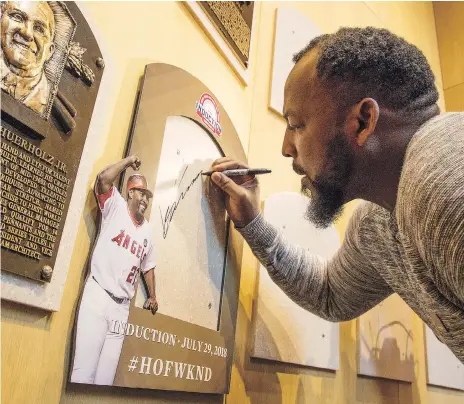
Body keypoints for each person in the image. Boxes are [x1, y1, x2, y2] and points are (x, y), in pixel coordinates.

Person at [210, 27, 464, 363]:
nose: (287, 149)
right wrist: (253, 222)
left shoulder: (446, 178)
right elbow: (330, 293)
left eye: (296, 124)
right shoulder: (378, 220)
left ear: (362, 122)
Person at [71, 156, 158, 385]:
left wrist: (153, 295)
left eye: (147, 196)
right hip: (99, 294)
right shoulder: (115, 206)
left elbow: (148, 266)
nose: (144, 200)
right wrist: (128, 161)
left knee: (105, 380)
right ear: (130, 192)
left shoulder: (147, 231)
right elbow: (103, 179)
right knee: (84, 372)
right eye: (141, 193)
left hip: (122, 307)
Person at [0, 1, 55, 115]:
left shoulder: (51, 103)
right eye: (18, 17)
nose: (27, 33)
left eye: (39, 29)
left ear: (50, 51)